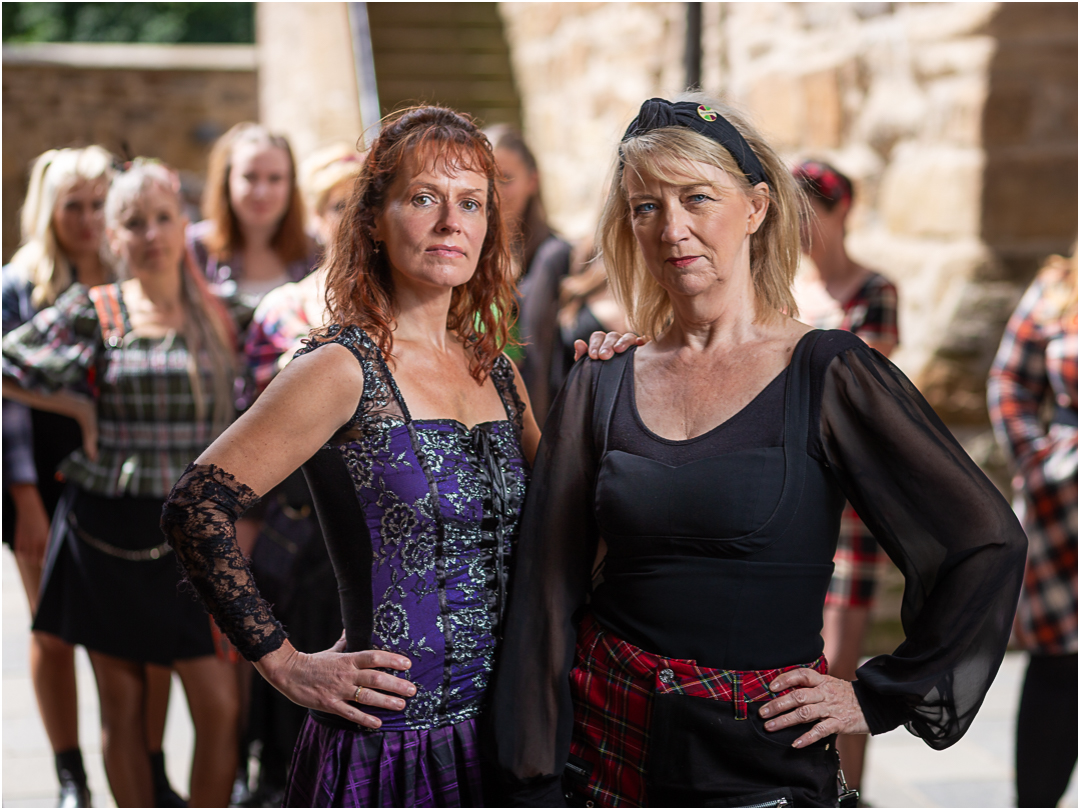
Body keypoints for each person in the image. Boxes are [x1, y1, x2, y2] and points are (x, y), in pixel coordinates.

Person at [489, 94, 1028, 807]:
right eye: (646, 206)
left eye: (697, 198)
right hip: (608, 744)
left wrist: (877, 697)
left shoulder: (828, 370)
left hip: (759, 760)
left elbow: (986, 541)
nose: (673, 228)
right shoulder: (602, 379)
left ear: (757, 207)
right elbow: (544, 591)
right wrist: (530, 779)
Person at [160, 105, 539, 808]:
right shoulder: (340, 367)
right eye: (423, 198)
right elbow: (195, 506)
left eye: (471, 204)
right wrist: (287, 665)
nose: (450, 222)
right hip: (390, 744)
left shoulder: (500, 374)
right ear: (373, 218)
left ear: (489, 227)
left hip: (508, 738)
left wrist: (622, 374)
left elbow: (566, 525)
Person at [3, 160, 241, 808]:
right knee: (124, 705)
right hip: (107, 530)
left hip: (194, 535)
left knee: (220, 704)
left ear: (183, 225)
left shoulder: (223, 313)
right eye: (134, 223)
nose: (151, 234)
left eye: (163, 218)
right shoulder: (94, 309)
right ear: (114, 237)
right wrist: (73, 406)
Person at [235, 143, 364, 806]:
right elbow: (242, 445)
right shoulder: (280, 311)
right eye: (336, 203)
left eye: (359, 201)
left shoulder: (408, 304)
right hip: (294, 527)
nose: (348, 217)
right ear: (314, 216)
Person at [792, 158, 901, 794]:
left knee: (842, 664)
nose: (806, 224)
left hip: (853, 499)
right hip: (798, 487)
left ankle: (848, 794)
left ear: (843, 211)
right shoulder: (782, 287)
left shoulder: (873, 290)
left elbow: (858, 390)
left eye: (817, 209)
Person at [988, 249, 1077, 809]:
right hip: (1064, 503)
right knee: (1057, 662)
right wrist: (1039, 463)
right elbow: (1009, 381)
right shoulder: (1057, 285)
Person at [485, 124, 574, 417]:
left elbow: (541, 360)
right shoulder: (465, 258)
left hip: (533, 416)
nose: (494, 191)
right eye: (487, 179)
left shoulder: (554, 256)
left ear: (532, 181)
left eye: (506, 179)